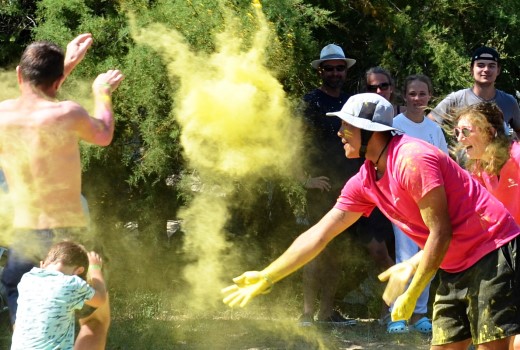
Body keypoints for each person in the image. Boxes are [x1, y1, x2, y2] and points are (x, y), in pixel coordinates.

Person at [222, 93, 520, 349]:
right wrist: (268, 275)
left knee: (492, 344)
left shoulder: (411, 159)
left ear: (370, 131)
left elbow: (440, 232)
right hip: (454, 266)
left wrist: (412, 291)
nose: (340, 132)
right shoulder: (366, 179)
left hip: (492, 252)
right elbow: (321, 234)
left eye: (346, 126)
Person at [0, 33, 123, 348]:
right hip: (66, 235)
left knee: (30, 322)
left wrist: (64, 66)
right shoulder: (68, 113)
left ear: (18, 74)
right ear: (57, 82)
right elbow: (104, 133)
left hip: (25, 236)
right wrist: (102, 92)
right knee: (93, 319)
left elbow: (35, 99)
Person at [298, 43, 360, 326]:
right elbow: (292, 144)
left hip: (348, 188)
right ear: (320, 71)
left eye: (340, 68)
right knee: (314, 248)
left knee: (337, 253)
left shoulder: (351, 102)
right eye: (329, 68)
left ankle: (326, 313)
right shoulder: (310, 102)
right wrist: (304, 180)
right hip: (320, 189)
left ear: (345, 71)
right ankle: (307, 314)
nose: (335, 73)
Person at [454, 102, 520, 349]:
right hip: (502, 258)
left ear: (490, 132)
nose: (460, 139)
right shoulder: (478, 168)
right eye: (457, 133)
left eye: (466, 131)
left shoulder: (517, 156)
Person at [386, 74, 448, 334]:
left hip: (430, 204)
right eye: (412, 94)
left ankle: (420, 313)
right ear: (404, 96)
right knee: (404, 258)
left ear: (430, 97)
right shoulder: (393, 125)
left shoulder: (434, 129)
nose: (417, 99)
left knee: (429, 258)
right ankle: (397, 315)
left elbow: (445, 164)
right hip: (401, 204)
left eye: (422, 94)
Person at [10, 241, 107, 350]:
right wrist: (95, 269)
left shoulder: (27, 278)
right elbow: (100, 299)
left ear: (42, 264)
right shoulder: (72, 283)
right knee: (96, 325)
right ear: (79, 271)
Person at [429, 46, 520, 135]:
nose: (486, 70)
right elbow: (428, 124)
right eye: (480, 65)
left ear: (498, 70)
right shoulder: (457, 99)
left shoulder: (509, 102)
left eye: (491, 66)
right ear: (471, 69)